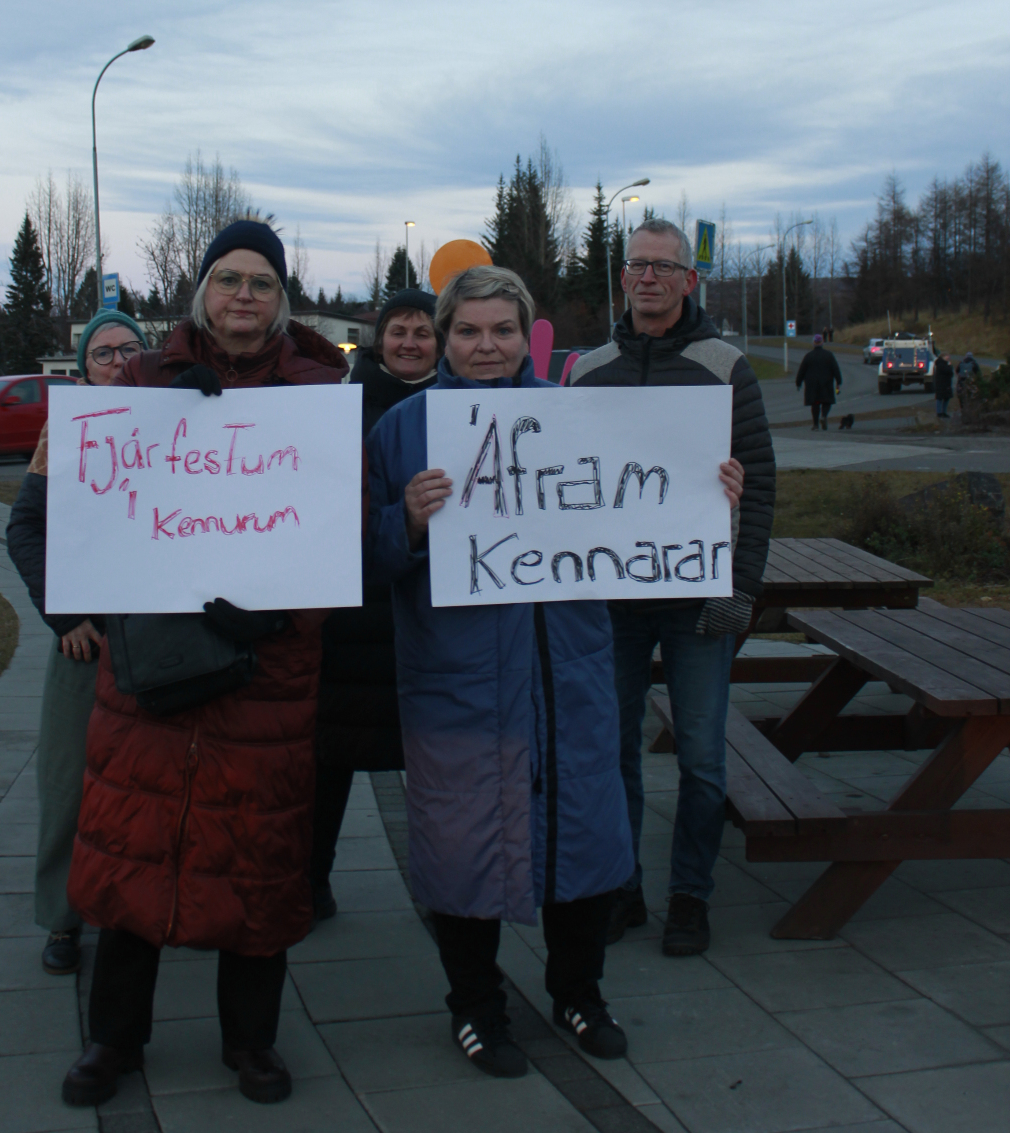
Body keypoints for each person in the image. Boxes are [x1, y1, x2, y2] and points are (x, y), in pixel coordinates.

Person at [60, 220, 349, 1109]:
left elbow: (334, 533)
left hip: (268, 674)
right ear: (202, 291)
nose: (245, 297)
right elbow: (82, 512)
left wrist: (283, 608)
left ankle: (251, 1043)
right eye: (229, 279)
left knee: (256, 860)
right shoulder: (140, 383)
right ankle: (113, 1040)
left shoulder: (319, 393)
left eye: (262, 282)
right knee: (133, 853)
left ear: (282, 299)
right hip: (152, 673)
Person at [367, 264, 635, 1079]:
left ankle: (579, 990)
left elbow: (640, 514)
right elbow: (360, 556)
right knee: (463, 845)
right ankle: (476, 1005)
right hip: (460, 682)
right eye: (469, 331)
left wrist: (707, 496)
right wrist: (406, 520)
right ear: (445, 339)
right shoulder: (404, 429)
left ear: (529, 335)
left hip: (567, 671)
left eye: (503, 330)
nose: (488, 347)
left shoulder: (581, 418)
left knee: (581, 838)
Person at [569, 218, 773, 957]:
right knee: (611, 746)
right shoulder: (587, 372)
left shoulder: (726, 367)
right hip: (611, 605)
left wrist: (739, 588)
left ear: (691, 280)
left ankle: (691, 894)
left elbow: (762, 482)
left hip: (697, 597)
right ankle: (623, 888)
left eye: (664, 266)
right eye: (637, 265)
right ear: (622, 278)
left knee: (702, 755)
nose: (649, 277)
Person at [6, 308, 151, 977]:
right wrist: (64, 618)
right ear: (83, 367)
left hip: (159, 635)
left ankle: (145, 907)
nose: (117, 362)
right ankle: (62, 916)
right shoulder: (60, 435)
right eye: (102, 353)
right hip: (86, 638)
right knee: (67, 781)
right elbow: (26, 530)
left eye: (129, 350)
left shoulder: (175, 424)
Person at [311, 288, 441, 922]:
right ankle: (310, 879)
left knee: (433, 758)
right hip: (355, 613)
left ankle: (446, 883)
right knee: (330, 756)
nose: (411, 342)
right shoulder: (341, 409)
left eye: (423, 331)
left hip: (433, 611)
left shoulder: (463, 407)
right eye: (399, 331)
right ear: (378, 340)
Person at [795, 333, 843, 430]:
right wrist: (839, 381)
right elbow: (836, 369)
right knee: (826, 402)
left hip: (812, 385)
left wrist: (798, 382)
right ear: (822, 343)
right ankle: (824, 416)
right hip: (826, 383)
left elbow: (801, 371)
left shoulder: (808, 356)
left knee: (815, 403)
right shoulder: (829, 355)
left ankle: (815, 424)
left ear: (813, 343)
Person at [933, 352, 954, 418]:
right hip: (941, 384)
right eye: (947, 356)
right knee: (940, 398)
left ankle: (943, 412)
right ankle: (939, 412)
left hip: (946, 383)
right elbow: (948, 371)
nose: (948, 357)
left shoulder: (942, 364)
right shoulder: (941, 364)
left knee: (946, 398)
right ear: (943, 357)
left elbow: (950, 373)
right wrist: (950, 366)